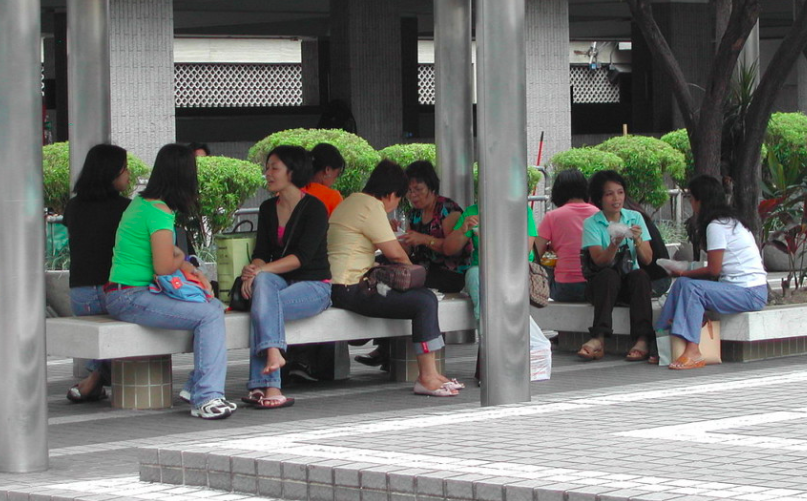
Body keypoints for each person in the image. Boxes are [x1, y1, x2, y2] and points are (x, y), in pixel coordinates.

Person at [104, 143, 235, 420]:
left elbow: (169, 260)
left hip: (125, 292)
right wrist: (177, 256)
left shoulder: (142, 203)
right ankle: (207, 397)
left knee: (212, 308)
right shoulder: (159, 212)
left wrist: (188, 265)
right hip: (131, 295)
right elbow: (164, 267)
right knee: (210, 315)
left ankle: (198, 388)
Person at [328, 160, 463, 397]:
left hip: (343, 285)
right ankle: (427, 376)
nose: (398, 204)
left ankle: (431, 373)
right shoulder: (371, 206)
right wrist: (415, 276)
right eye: (400, 197)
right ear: (390, 194)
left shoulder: (352, 201)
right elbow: (396, 254)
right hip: (351, 288)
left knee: (422, 297)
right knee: (425, 301)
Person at [238, 145, 332, 409]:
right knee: (264, 289)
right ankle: (272, 366)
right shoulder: (268, 208)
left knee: (265, 303)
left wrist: (260, 271)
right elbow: (261, 253)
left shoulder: (314, 208)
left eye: (274, 168)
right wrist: (253, 271)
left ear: (293, 171)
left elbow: (301, 258)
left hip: (314, 286)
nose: (267, 173)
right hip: (278, 282)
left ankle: (265, 385)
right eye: (267, 168)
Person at [656, 175, 767, 370]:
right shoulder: (728, 222)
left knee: (691, 288)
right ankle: (663, 345)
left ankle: (693, 351)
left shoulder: (717, 226)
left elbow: (713, 269)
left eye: (691, 198)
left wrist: (682, 273)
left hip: (751, 292)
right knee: (684, 285)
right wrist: (683, 277)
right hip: (736, 288)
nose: (691, 203)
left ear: (701, 200)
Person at [62, 144, 131, 403]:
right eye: (124, 169)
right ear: (110, 172)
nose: (128, 174)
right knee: (129, 337)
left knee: (107, 342)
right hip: (114, 289)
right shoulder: (127, 208)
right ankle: (93, 380)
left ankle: (94, 382)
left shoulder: (74, 206)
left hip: (80, 292)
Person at [579, 170, 654, 362]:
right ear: (599, 198)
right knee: (608, 275)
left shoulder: (634, 218)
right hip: (602, 286)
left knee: (641, 276)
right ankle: (599, 338)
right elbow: (599, 261)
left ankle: (643, 339)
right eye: (609, 194)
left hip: (628, 284)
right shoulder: (592, 223)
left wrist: (637, 240)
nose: (616, 198)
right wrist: (614, 243)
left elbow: (647, 260)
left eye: (620, 192)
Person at [399, 160, 471, 293]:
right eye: (409, 191)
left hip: (450, 273)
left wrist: (424, 239)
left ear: (432, 188)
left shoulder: (448, 210)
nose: (413, 195)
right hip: (423, 269)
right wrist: (396, 234)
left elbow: (453, 250)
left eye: (418, 189)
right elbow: (408, 249)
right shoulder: (414, 213)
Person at [535, 169, 599, 302]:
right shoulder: (598, 214)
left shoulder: (552, 216)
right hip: (595, 284)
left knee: (549, 257)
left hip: (565, 286)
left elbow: (537, 252)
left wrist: (551, 250)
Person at [302, 143, 346, 217]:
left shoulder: (289, 190)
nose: (335, 181)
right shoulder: (332, 197)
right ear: (327, 170)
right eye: (337, 175)